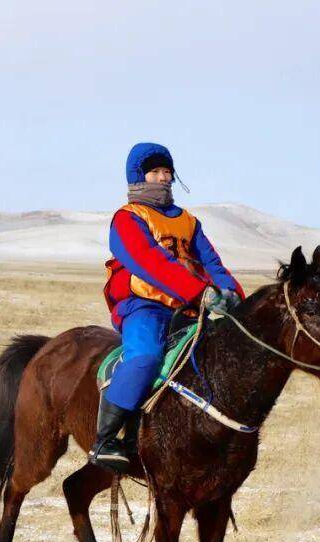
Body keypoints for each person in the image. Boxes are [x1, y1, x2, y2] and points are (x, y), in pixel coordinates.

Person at [89, 142, 245, 472]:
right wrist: (199, 292)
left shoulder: (188, 221)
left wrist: (232, 295)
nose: (163, 178)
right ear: (138, 177)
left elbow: (212, 263)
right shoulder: (128, 218)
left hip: (189, 309)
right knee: (145, 358)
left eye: (167, 172)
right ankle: (105, 440)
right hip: (144, 306)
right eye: (155, 172)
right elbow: (149, 262)